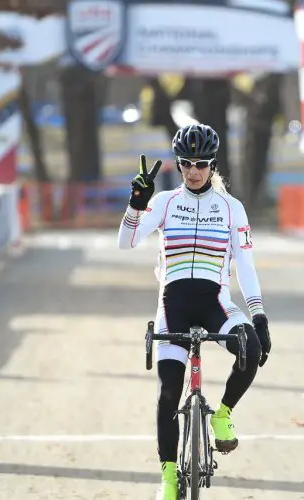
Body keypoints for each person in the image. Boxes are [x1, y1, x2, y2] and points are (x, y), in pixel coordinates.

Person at [116, 123, 272, 500]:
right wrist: (136, 203)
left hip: (216, 302)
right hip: (174, 304)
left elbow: (245, 267)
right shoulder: (166, 201)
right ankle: (169, 478)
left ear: (212, 164)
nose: (194, 170)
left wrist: (259, 316)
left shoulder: (232, 208)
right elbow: (126, 242)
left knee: (251, 348)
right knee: (169, 391)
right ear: (179, 164)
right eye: (186, 163)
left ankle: (221, 415)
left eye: (201, 163)